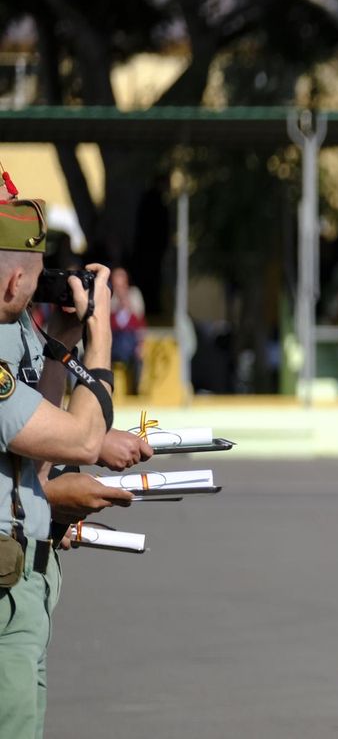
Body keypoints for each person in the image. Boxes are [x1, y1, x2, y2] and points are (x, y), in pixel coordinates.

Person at [0, 195, 150, 737]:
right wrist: (100, 339)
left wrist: (62, 342)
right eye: (36, 280)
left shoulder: (15, 341)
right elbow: (83, 438)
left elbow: (33, 454)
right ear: (12, 285)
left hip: (20, 583)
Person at [107, 266, 145, 395]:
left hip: (130, 340)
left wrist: (141, 344)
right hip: (114, 341)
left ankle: (135, 391)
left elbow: (140, 324)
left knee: (138, 358)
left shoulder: (134, 295)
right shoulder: (109, 297)